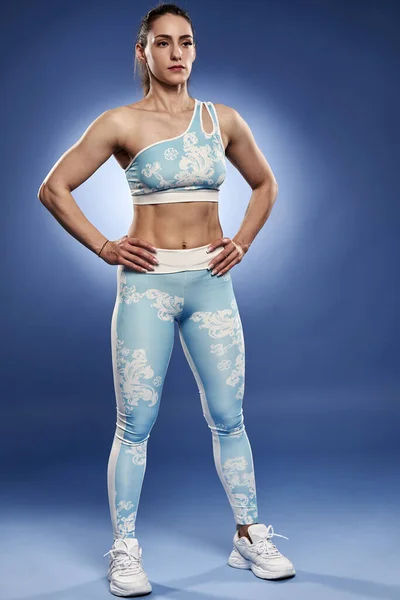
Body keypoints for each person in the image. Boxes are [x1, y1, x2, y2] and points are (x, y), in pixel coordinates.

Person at [38, 2, 296, 597]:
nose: (177, 53)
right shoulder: (120, 123)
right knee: (135, 423)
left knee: (229, 416)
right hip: (147, 287)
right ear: (143, 52)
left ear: (195, 49)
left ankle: (248, 534)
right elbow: (53, 188)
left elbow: (265, 184)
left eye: (186, 42)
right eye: (163, 43)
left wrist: (244, 241)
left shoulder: (222, 118)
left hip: (210, 282)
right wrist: (105, 246)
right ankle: (125, 549)